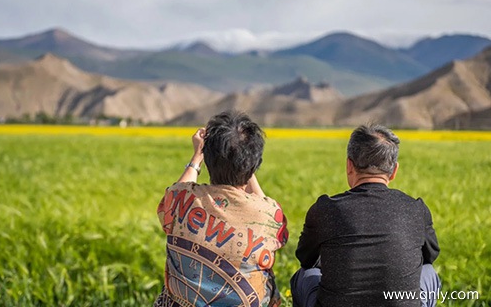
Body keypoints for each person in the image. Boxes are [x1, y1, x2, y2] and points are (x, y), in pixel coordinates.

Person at [290, 124, 441, 307]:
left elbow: (306, 258)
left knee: (304, 275)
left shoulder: (325, 209)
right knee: (429, 272)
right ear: (393, 171)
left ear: (349, 165)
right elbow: (430, 256)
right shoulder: (416, 208)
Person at [155, 111, 289, 307]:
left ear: (209, 161)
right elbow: (271, 219)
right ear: (253, 165)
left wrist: (196, 157)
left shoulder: (180, 199)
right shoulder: (269, 213)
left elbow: (177, 192)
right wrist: (246, 168)